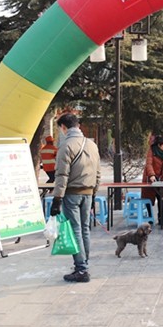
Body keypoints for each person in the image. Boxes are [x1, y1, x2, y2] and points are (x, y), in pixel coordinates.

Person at [49, 113, 101, 283]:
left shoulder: (66, 146)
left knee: (75, 230)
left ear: (64, 127)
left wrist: (57, 199)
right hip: (88, 192)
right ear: (78, 125)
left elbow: (61, 175)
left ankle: (81, 269)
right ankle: (84, 264)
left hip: (72, 193)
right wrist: (94, 192)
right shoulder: (92, 145)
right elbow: (98, 172)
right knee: (85, 229)